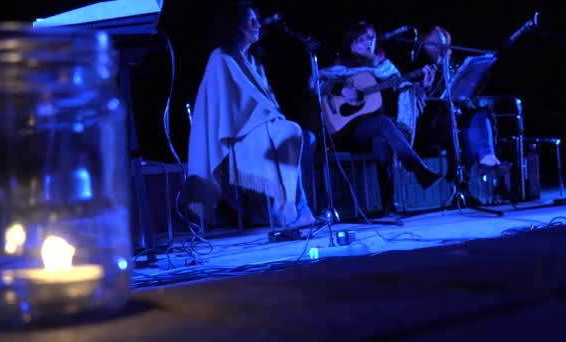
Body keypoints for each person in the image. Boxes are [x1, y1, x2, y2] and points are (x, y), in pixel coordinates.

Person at [182, 1, 315, 229]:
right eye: (250, 20)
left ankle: (291, 207)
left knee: (305, 136)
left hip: (256, 129)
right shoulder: (220, 57)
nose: (257, 24)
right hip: (234, 136)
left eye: (257, 19)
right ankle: (286, 210)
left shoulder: (251, 60)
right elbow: (226, 110)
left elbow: (264, 102)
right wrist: (267, 119)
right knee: (290, 131)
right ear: (235, 24)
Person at [315, 20, 442, 218]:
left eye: (371, 39)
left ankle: (388, 205)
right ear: (350, 44)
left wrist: (424, 85)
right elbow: (318, 83)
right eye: (361, 40)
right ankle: (417, 168)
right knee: (384, 123)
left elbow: (406, 90)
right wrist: (342, 89)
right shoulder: (340, 67)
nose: (368, 44)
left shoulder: (385, 67)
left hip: (379, 131)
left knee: (382, 139)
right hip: (347, 131)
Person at [412, 25, 512, 205]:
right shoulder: (417, 67)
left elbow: (465, 94)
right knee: (458, 125)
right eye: (434, 44)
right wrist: (425, 88)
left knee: (478, 116)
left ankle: (486, 161)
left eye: (443, 44)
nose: (440, 49)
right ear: (423, 45)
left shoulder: (452, 65)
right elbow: (415, 108)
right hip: (429, 126)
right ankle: (464, 185)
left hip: (456, 118)